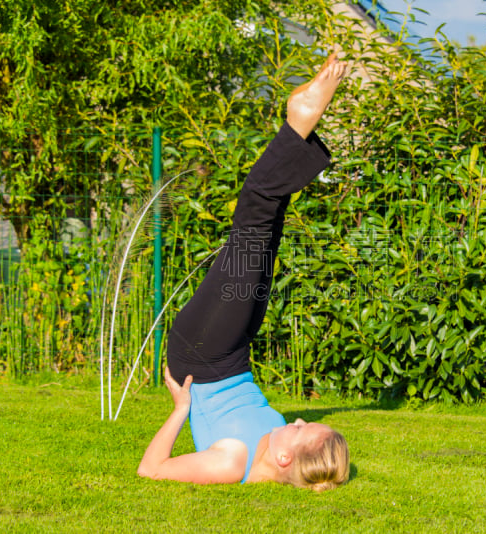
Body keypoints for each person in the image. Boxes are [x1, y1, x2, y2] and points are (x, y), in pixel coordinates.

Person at [138, 52, 350, 492]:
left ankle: (299, 124)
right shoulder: (275, 443)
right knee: (267, 230)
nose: (298, 418)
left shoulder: (232, 462)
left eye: (299, 428)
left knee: (254, 216)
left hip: (201, 354)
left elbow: (152, 470)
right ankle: (301, 132)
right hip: (233, 353)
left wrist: (180, 408)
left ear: (285, 455)